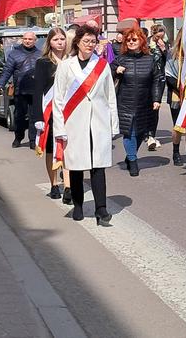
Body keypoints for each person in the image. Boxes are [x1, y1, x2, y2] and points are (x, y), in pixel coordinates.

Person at [52, 25, 119, 226]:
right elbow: (58, 99)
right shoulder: (66, 66)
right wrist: (60, 128)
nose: (90, 45)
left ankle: (101, 209)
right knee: (76, 167)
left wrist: (113, 125)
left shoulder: (102, 65)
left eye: (93, 41)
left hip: (98, 123)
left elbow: (110, 97)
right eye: (86, 41)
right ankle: (79, 205)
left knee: (98, 167)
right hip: (74, 123)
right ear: (78, 43)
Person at [111, 27, 162, 176]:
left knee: (141, 133)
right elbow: (107, 74)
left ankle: (130, 156)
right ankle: (133, 161)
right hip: (125, 102)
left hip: (144, 103)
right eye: (128, 40)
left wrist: (156, 99)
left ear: (141, 41)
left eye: (134, 39)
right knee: (129, 132)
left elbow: (157, 80)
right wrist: (116, 70)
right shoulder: (120, 59)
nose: (131, 42)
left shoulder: (150, 59)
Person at [33, 28, 71, 203]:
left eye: (62, 38)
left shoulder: (72, 61)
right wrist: (38, 117)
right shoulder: (43, 63)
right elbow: (38, 91)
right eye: (56, 39)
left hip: (68, 112)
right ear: (50, 42)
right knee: (51, 149)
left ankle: (69, 186)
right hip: (50, 112)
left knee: (68, 148)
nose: (60, 42)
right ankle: (54, 184)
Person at [0, 32, 42, 148]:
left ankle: (32, 140)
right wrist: (1, 83)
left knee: (34, 116)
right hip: (20, 89)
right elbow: (7, 70)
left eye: (30, 39)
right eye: (25, 39)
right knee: (19, 116)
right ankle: (18, 137)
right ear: (22, 40)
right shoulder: (14, 54)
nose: (28, 41)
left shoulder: (40, 54)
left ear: (35, 41)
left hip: (35, 90)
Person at [164, 31, 186, 169]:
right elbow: (169, 75)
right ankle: (176, 151)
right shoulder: (172, 54)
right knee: (178, 126)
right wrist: (182, 88)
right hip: (177, 94)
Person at [147, 24, 169, 151]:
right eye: (158, 35)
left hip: (159, 78)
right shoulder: (146, 42)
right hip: (146, 78)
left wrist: (164, 49)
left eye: (162, 34)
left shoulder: (166, 44)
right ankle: (145, 132)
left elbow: (169, 60)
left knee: (155, 106)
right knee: (145, 106)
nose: (160, 37)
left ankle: (152, 135)